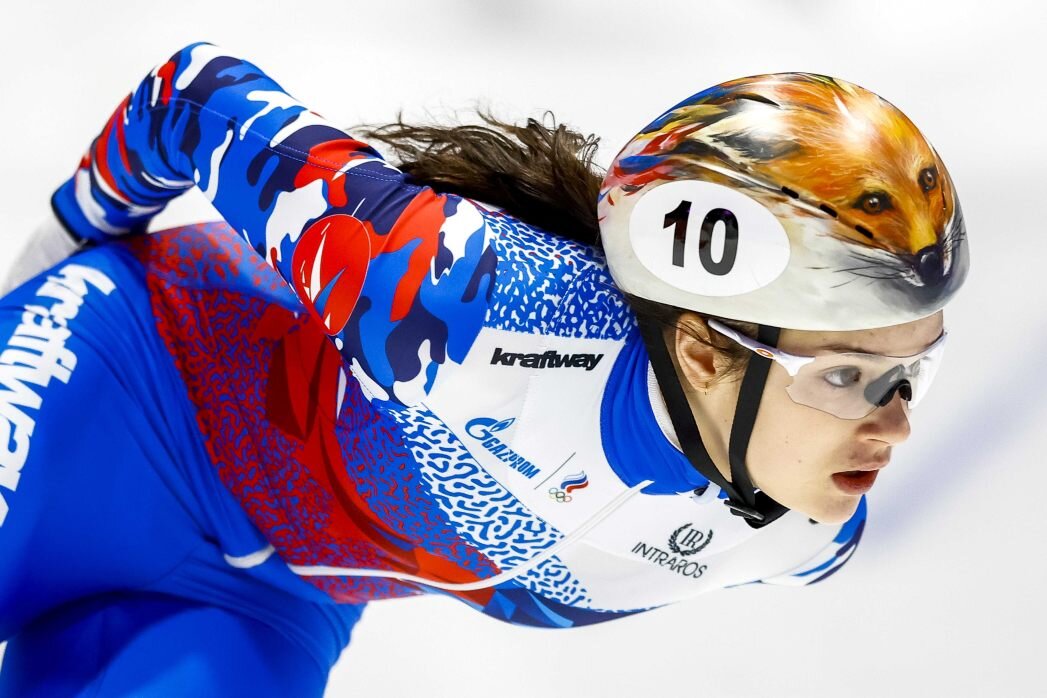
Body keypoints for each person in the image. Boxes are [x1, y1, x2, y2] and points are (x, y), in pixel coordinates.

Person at [0, 43, 968, 695]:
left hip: (253, 599)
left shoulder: (799, 537)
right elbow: (193, 95)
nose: (895, 425)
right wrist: (47, 268)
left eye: (910, 372)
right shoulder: (471, 299)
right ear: (704, 351)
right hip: (113, 389)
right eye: (846, 375)